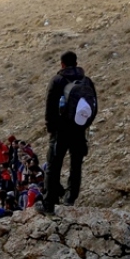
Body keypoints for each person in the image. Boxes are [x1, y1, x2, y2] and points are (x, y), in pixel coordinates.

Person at [44, 50, 92, 212]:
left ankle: (50, 203)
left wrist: (52, 129)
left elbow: (50, 109)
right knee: (76, 165)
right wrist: (84, 126)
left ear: (62, 64)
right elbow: (92, 107)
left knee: (53, 166)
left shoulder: (57, 81)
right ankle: (71, 198)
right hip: (79, 130)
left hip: (60, 132)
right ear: (76, 63)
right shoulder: (86, 81)